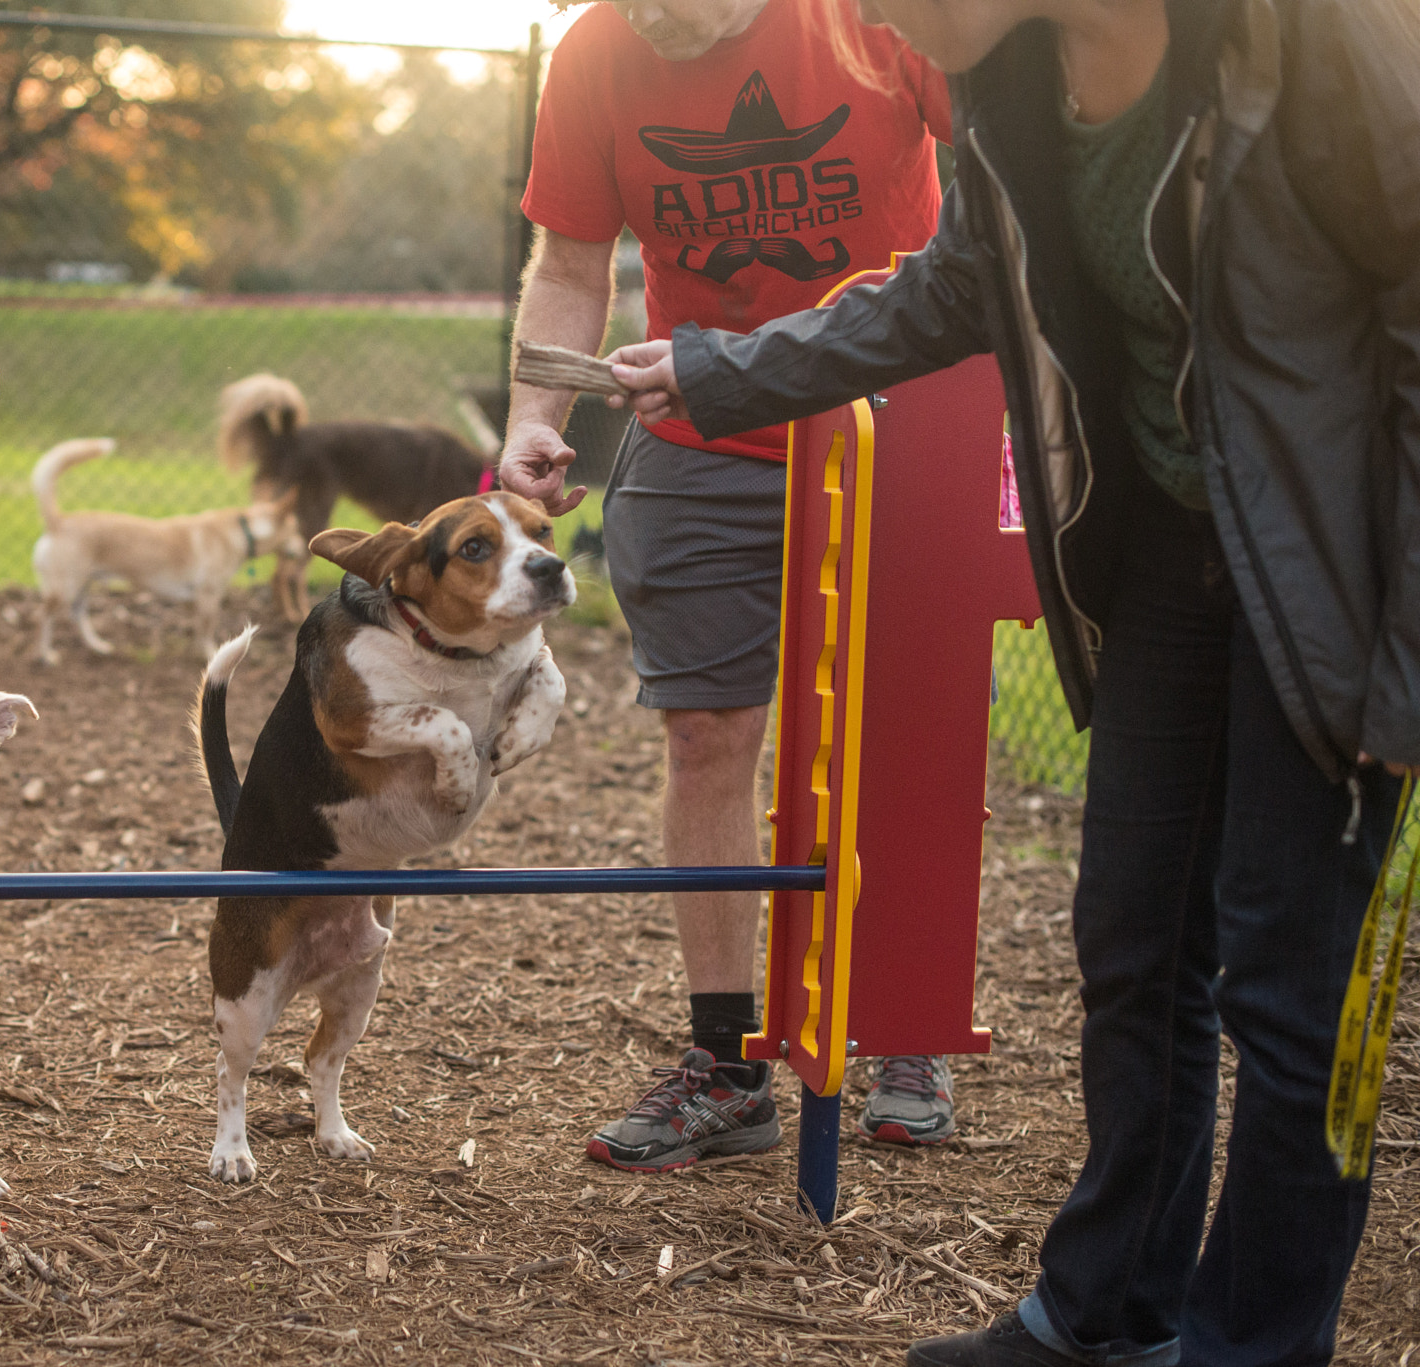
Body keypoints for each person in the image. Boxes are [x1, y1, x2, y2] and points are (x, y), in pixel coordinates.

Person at [598, 0, 1418, 1361]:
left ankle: (1256, 1341)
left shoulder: (1309, 40)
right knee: (1137, 950)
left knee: (1297, 988)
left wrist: (1405, 667)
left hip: (1338, 575)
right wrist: (712, 369)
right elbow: (953, 286)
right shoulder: (1012, 84)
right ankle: (1107, 1310)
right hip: (1165, 550)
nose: (858, 12)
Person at [499, 0, 962, 1172]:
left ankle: (902, 1022)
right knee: (705, 734)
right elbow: (566, 261)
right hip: (699, 440)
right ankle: (727, 1060)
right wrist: (531, 423)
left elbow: (1007, 190)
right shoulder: (597, 52)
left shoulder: (876, 20)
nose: (651, 16)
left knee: (897, 736)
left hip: (899, 419)